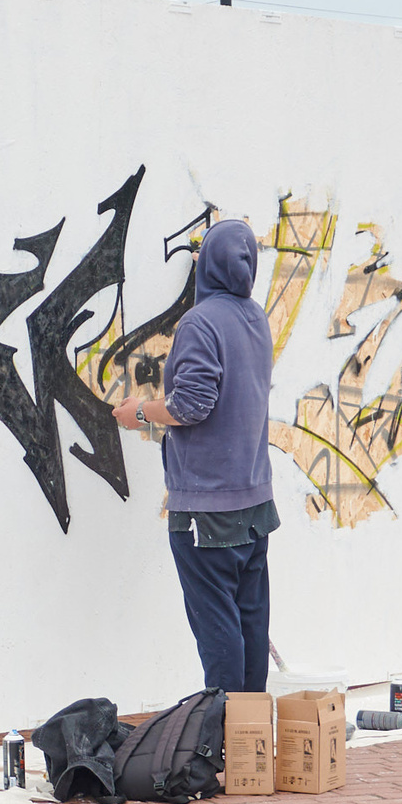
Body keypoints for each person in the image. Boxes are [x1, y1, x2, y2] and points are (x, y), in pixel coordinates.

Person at [114, 217, 277, 695]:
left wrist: (139, 412)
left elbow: (190, 405)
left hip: (207, 510)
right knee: (250, 622)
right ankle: (249, 731)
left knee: (218, 629)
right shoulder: (256, 318)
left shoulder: (200, 323)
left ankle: (223, 728)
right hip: (254, 505)